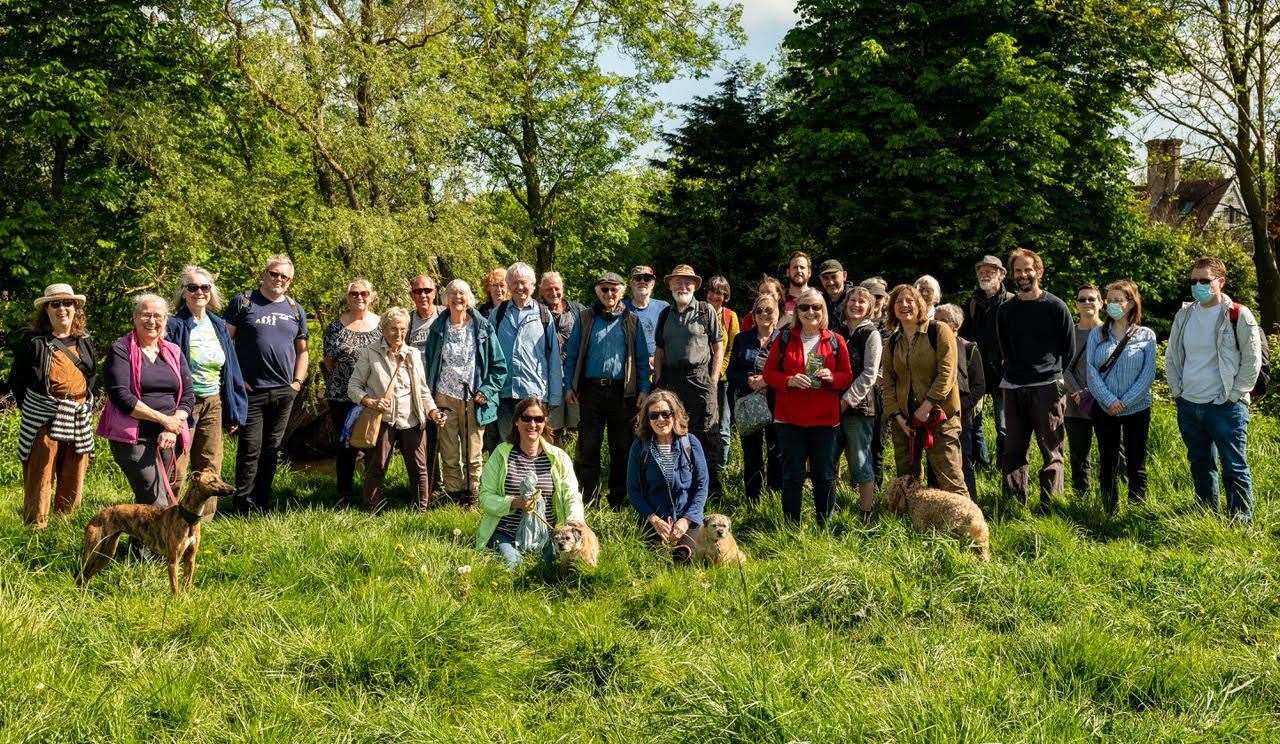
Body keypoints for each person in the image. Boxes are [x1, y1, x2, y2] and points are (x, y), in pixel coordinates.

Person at [1165, 256, 1262, 523]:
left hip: (1226, 407)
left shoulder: (1238, 314)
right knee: (1200, 462)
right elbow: (1172, 356)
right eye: (1194, 281)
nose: (1198, 285)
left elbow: (1252, 361)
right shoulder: (1184, 315)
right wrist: (1177, 390)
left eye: (1204, 280)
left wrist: (1233, 395)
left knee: (1234, 466)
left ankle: (1240, 521)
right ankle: (1206, 514)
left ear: (1220, 281)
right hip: (1189, 404)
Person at [225, 254, 309, 513]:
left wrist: (297, 383)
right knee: (250, 449)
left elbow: (303, 350)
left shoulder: (295, 309)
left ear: (290, 281)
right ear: (265, 274)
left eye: (284, 276)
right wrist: (237, 381)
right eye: (274, 274)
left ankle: (262, 502)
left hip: (284, 392)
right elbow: (226, 345)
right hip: (251, 392)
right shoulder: (244, 302)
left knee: (272, 450)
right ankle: (242, 505)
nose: (279, 279)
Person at [763, 287, 854, 523]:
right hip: (789, 420)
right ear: (797, 311)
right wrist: (788, 380)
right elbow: (769, 373)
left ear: (823, 310)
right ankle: (791, 526)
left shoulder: (836, 340)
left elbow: (847, 376)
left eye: (816, 307)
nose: (810, 311)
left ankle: (824, 524)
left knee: (824, 475)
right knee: (792, 475)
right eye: (804, 307)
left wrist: (832, 377)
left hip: (825, 421)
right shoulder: (783, 338)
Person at [10, 284, 96, 528]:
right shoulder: (34, 342)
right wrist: (36, 410)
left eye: (67, 303)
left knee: (74, 470)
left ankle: (65, 524)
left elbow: (91, 376)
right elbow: (17, 381)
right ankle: (36, 527)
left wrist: (80, 402)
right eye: (55, 304)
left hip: (78, 416)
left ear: (75, 308)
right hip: (44, 418)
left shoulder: (84, 341)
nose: (62, 309)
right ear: (46, 310)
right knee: (40, 471)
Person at [562, 272, 651, 507]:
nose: (609, 294)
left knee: (622, 448)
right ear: (597, 292)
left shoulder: (632, 320)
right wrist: (569, 385)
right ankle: (588, 498)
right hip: (590, 391)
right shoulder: (585, 318)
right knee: (588, 446)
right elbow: (571, 356)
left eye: (614, 289)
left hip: (623, 393)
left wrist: (644, 389)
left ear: (622, 291)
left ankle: (618, 499)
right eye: (604, 289)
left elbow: (642, 359)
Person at [996, 248, 1074, 513]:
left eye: (1028, 269)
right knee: (1013, 449)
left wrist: (1056, 379)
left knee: (1051, 449)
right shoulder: (1005, 310)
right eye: (1018, 270)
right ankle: (1014, 504)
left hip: (1047, 386)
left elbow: (1069, 349)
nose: (1023, 275)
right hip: (1014, 386)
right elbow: (1004, 348)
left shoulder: (1055, 306)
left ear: (1038, 271)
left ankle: (1051, 504)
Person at [98, 294, 195, 507]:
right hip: (134, 438)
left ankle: (140, 541)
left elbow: (188, 395)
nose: (152, 321)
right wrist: (164, 420)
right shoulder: (121, 349)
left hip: (168, 436)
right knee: (155, 500)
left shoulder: (173, 350)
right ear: (134, 317)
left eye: (158, 316)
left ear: (166, 319)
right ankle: (149, 540)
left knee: (164, 498)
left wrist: (172, 426)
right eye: (146, 315)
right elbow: (122, 397)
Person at [348, 308, 447, 512]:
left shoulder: (413, 354)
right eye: (393, 328)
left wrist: (433, 412)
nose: (399, 333)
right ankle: (372, 508)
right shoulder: (371, 352)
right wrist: (370, 401)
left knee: (419, 468)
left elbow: (422, 390)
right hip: (383, 418)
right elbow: (353, 387)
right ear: (383, 329)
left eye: (403, 329)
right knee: (377, 465)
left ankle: (421, 509)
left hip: (412, 418)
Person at [422, 280, 509, 507]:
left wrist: (486, 391)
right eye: (452, 294)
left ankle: (472, 496)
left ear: (469, 298)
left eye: (462, 294)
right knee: (449, 452)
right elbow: (429, 363)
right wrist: (429, 399)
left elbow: (499, 366)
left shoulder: (482, 328)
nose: (457, 297)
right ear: (445, 299)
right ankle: (453, 493)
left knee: (473, 453)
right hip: (444, 396)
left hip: (473, 398)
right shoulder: (437, 328)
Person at [476, 398, 584, 570]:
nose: (532, 424)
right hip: (506, 533)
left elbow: (571, 493)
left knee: (550, 569)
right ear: (517, 422)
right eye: (526, 418)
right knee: (514, 566)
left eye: (538, 419)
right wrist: (514, 502)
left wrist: (574, 519)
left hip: (549, 534)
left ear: (545, 423)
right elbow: (485, 497)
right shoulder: (501, 453)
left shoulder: (559, 457)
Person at [166, 266, 247, 494]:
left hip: (214, 401)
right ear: (183, 292)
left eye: (205, 287)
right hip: (183, 403)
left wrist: (234, 410)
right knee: (177, 464)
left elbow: (231, 370)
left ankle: (202, 522)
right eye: (193, 287)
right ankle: (170, 518)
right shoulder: (173, 325)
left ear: (211, 291)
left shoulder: (219, 325)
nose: (199, 292)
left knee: (210, 465)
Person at [881, 284, 967, 497]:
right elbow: (888, 382)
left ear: (919, 304)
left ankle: (968, 525)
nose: (904, 305)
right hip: (905, 421)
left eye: (909, 300)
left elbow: (947, 373)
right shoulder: (892, 342)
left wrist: (927, 406)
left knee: (950, 477)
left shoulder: (938, 331)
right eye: (898, 301)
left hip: (940, 416)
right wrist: (898, 417)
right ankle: (915, 523)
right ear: (892, 309)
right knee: (907, 480)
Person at [652, 264, 724, 501]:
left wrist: (713, 379)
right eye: (677, 282)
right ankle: (680, 486)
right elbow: (660, 351)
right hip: (671, 380)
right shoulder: (665, 314)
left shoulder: (706, 311)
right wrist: (658, 382)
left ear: (694, 286)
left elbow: (718, 346)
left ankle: (711, 490)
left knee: (706, 433)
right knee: (674, 432)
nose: (682, 286)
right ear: (670, 285)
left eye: (687, 282)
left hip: (700, 378)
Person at [1086, 280, 1157, 515]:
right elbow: (1091, 372)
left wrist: (1125, 402)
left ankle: (1137, 510)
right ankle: (1109, 510)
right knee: (1108, 462)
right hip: (1104, 410)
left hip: (1137, 409)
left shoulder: (1146, 335)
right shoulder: (1097, 334)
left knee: (1136, 462)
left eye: (1120, 300)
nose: (1114, 304)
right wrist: (1109, 401)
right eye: (1111, 300)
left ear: (1131, 303)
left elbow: (1147, 375)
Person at [626, 391, 707, 561]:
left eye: (665, 413)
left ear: (675, 414)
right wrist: (654, 520)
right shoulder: (640, 447)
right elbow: (633, 491)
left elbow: (701, 486)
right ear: (647, 420)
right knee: (657, 560)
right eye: (654, 415)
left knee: (685, 557)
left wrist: (686, 520)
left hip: (687, 518)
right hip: (653, 520)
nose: (660, 420)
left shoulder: (690, 443)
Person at [322, 278, 381, 505]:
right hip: (341, 396)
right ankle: (344, 495)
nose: (359, 297)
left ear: (371, 296)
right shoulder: (336, 327)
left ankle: (371, 495)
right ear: (348, 297)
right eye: (354, 294)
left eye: (364, 293)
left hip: (372, 396)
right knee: (345, 446)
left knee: (372, 445)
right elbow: (329, 362)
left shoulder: (380, 324)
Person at [488, 262, 563, 441]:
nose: (520, 287)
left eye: (524, 282)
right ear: (508, 285)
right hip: (504, 394)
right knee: (506, 447)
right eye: (514, 283)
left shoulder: (544, 315)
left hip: (534, 394)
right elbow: (487, 355)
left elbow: (553, 358)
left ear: (532, 285)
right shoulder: (497, 314)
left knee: (534, 446)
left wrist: (554, 397)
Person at [959, 255, 1014, 470]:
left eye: (990, 271)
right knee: (974, 422)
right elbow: (965, 338)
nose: (984, 274)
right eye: (981, 271)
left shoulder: (1011, 301)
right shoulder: (973, 303)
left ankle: (1003, 467)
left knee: (1004, 426)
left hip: (1004, 373)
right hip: (978, 373)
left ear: (1001, 274)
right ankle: (980, 464)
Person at [727, 293, 783, 504]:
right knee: (751, 454)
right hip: (749, 403)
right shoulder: (742, 339)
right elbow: (732, 372)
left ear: (777, 312)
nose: (763, 314)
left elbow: (790, 370)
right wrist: (749, 380)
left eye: (768, 309)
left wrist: (767, 380)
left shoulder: (784, 339)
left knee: (777, 452)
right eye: (758, 310)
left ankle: (775, 499)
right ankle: (753, 500)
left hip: (777, 402)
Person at [838, 286, 882, 517]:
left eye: (862, 302)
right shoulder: (838, 332)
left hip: (859, 408)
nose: (856, 305)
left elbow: (870, 374)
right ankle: (828, 507)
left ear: (869, 308)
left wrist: (847, 400)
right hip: (832, 406)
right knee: (827, 458)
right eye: (852, 300)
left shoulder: (871, 334)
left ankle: (866, 511)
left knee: (860, 460)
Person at [934, 303, 984, 501]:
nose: (936, 324)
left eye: (942, 321)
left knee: (962, 462)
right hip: (934, 415)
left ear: (955, 325)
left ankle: (969, 505)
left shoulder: (969, 348)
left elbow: (979, 386)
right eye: (935, 320)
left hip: (962, 417)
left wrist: (958, 408)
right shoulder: (929, 347)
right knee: (935, 462)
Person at [1061, 284, 1103, 494]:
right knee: (1078, 455)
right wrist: (1077, 392)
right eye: (1082, 299)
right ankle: (1081, 496)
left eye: (1091, 299)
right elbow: (1063, 366)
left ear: (1101, 303)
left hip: (1105, 402)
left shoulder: (1110, 332)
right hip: (1075, 404)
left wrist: (1097, 393)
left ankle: (1113, 494)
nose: (1087, 303)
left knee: (1114, 452)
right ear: (1076, 304)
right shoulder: (1069, 334)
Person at [407, 273, 444, 494]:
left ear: (435, 292)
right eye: (418, 291)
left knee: (446, 441)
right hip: (417, 391)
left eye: (427, 290)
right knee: (423, 442)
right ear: (412, 295)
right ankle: (428, 487)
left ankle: (452, 487)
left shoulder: (444, 316)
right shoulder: (408, 320)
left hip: (443, 388)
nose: (423, 295)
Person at [540, 271, 585, 441]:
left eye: (557, 288)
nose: (553, 293)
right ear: (541, 291)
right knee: (552, 428)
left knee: (578, 426)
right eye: (548, 289)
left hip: (574, 378)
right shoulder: (537, 312)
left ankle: (576, 464)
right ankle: (554, 463)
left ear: (563, 289)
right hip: (549, 379)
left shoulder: (578, 311)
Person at [704, 275, 739, 470]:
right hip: (699, 377)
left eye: (719, 292)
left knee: (723, 426)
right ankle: (704, 465)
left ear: (725, 295)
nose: (714, 295)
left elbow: (733, 348)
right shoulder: (699, 312)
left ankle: (721, 468)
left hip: (723, 379)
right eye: (711, 291)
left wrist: (718, 372)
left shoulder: (730, 317)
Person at [859, 277, 891, 483]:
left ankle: (876, 487)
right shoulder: (858, 325)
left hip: (882, 391)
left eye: (879, 296)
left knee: (878, 443)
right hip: (862, 390)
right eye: (872, 296)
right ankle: (860, 483)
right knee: (860, 442)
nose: (876, 300)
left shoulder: (891, 326)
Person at [623, 265, 670, 365]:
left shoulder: (664, 307)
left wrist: (657, 359)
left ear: (652, 284)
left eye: (647, 279)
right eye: (638, 278)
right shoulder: (621, 308)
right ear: (631, 283)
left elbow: (671, 338)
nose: (642, 281)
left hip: (659, 363)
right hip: (630, 364)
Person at [819, 259, 855, 324]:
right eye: (825, 278)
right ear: (821, 279)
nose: (830, 282)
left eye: (834, 277)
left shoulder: (855, 299)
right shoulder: (818, 301)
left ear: (844, 276)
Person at [782, 251, 812, 317]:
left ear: (809, 272)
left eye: (802, 267)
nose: (799, 270)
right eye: (795, 267)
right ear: (787, 272)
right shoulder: (780, 299)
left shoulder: (818, 297)